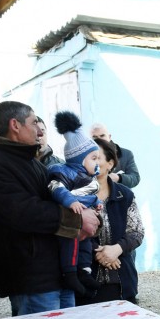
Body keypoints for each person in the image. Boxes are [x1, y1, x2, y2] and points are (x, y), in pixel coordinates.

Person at [0, 101, 98, 316]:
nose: (40, 130)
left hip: (57, 274)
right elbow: (23, 212)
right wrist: (78, 219)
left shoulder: (32, 162)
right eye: (33, 123)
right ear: (15, 125)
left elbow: (57, 198)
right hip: (32, 278)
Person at [76, 137, 144, 304]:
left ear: (110, 163)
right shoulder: (75, 195)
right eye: (88, 158)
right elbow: (71, 231)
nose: (91, 162)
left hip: (122, 277)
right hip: (86, 280)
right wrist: (101, 252)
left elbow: (136, 231)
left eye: (96, 157)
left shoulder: (124, 194)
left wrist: (117, 249)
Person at [51, 111, 102, 300]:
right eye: (93, 158)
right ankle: (70, 273)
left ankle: (84, 272)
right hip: (69, 219)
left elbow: (91, 195)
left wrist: (97, 204)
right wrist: (70, 201)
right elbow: (55, 187)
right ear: (80, 159)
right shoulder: (66, 173)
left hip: (84, 218)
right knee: (70, 243)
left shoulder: (88, 178)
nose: (97, 163)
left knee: (86, 244)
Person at [90, 122, 141, 188]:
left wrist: (119, 178)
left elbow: (135, 178)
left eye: (102, 136)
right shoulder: (85, 156)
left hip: (119, 195)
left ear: (109, 136)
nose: (99, 139)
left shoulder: (126, 154)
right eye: (95, 137)